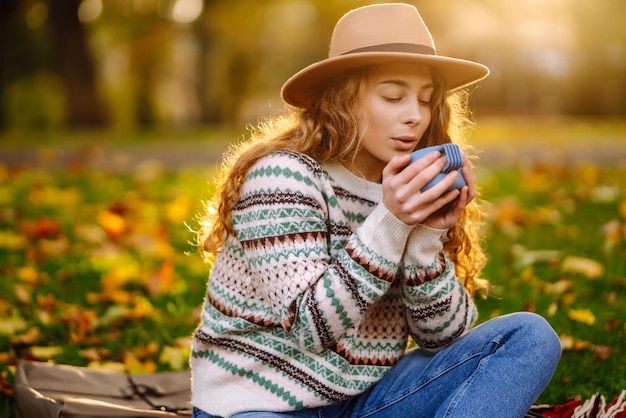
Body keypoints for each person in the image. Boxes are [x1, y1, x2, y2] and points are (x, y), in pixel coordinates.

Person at [190, 3, 561, 417]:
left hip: (364, 401)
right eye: (393, 96)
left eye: (425, 99)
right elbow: (311, 328)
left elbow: (442, 339)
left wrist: (423, 237)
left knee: (530, 337)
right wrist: (392, 221)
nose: (415, 117)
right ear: (342, 99)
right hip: (259, 403)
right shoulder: (283, 178)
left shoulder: (404, 188)